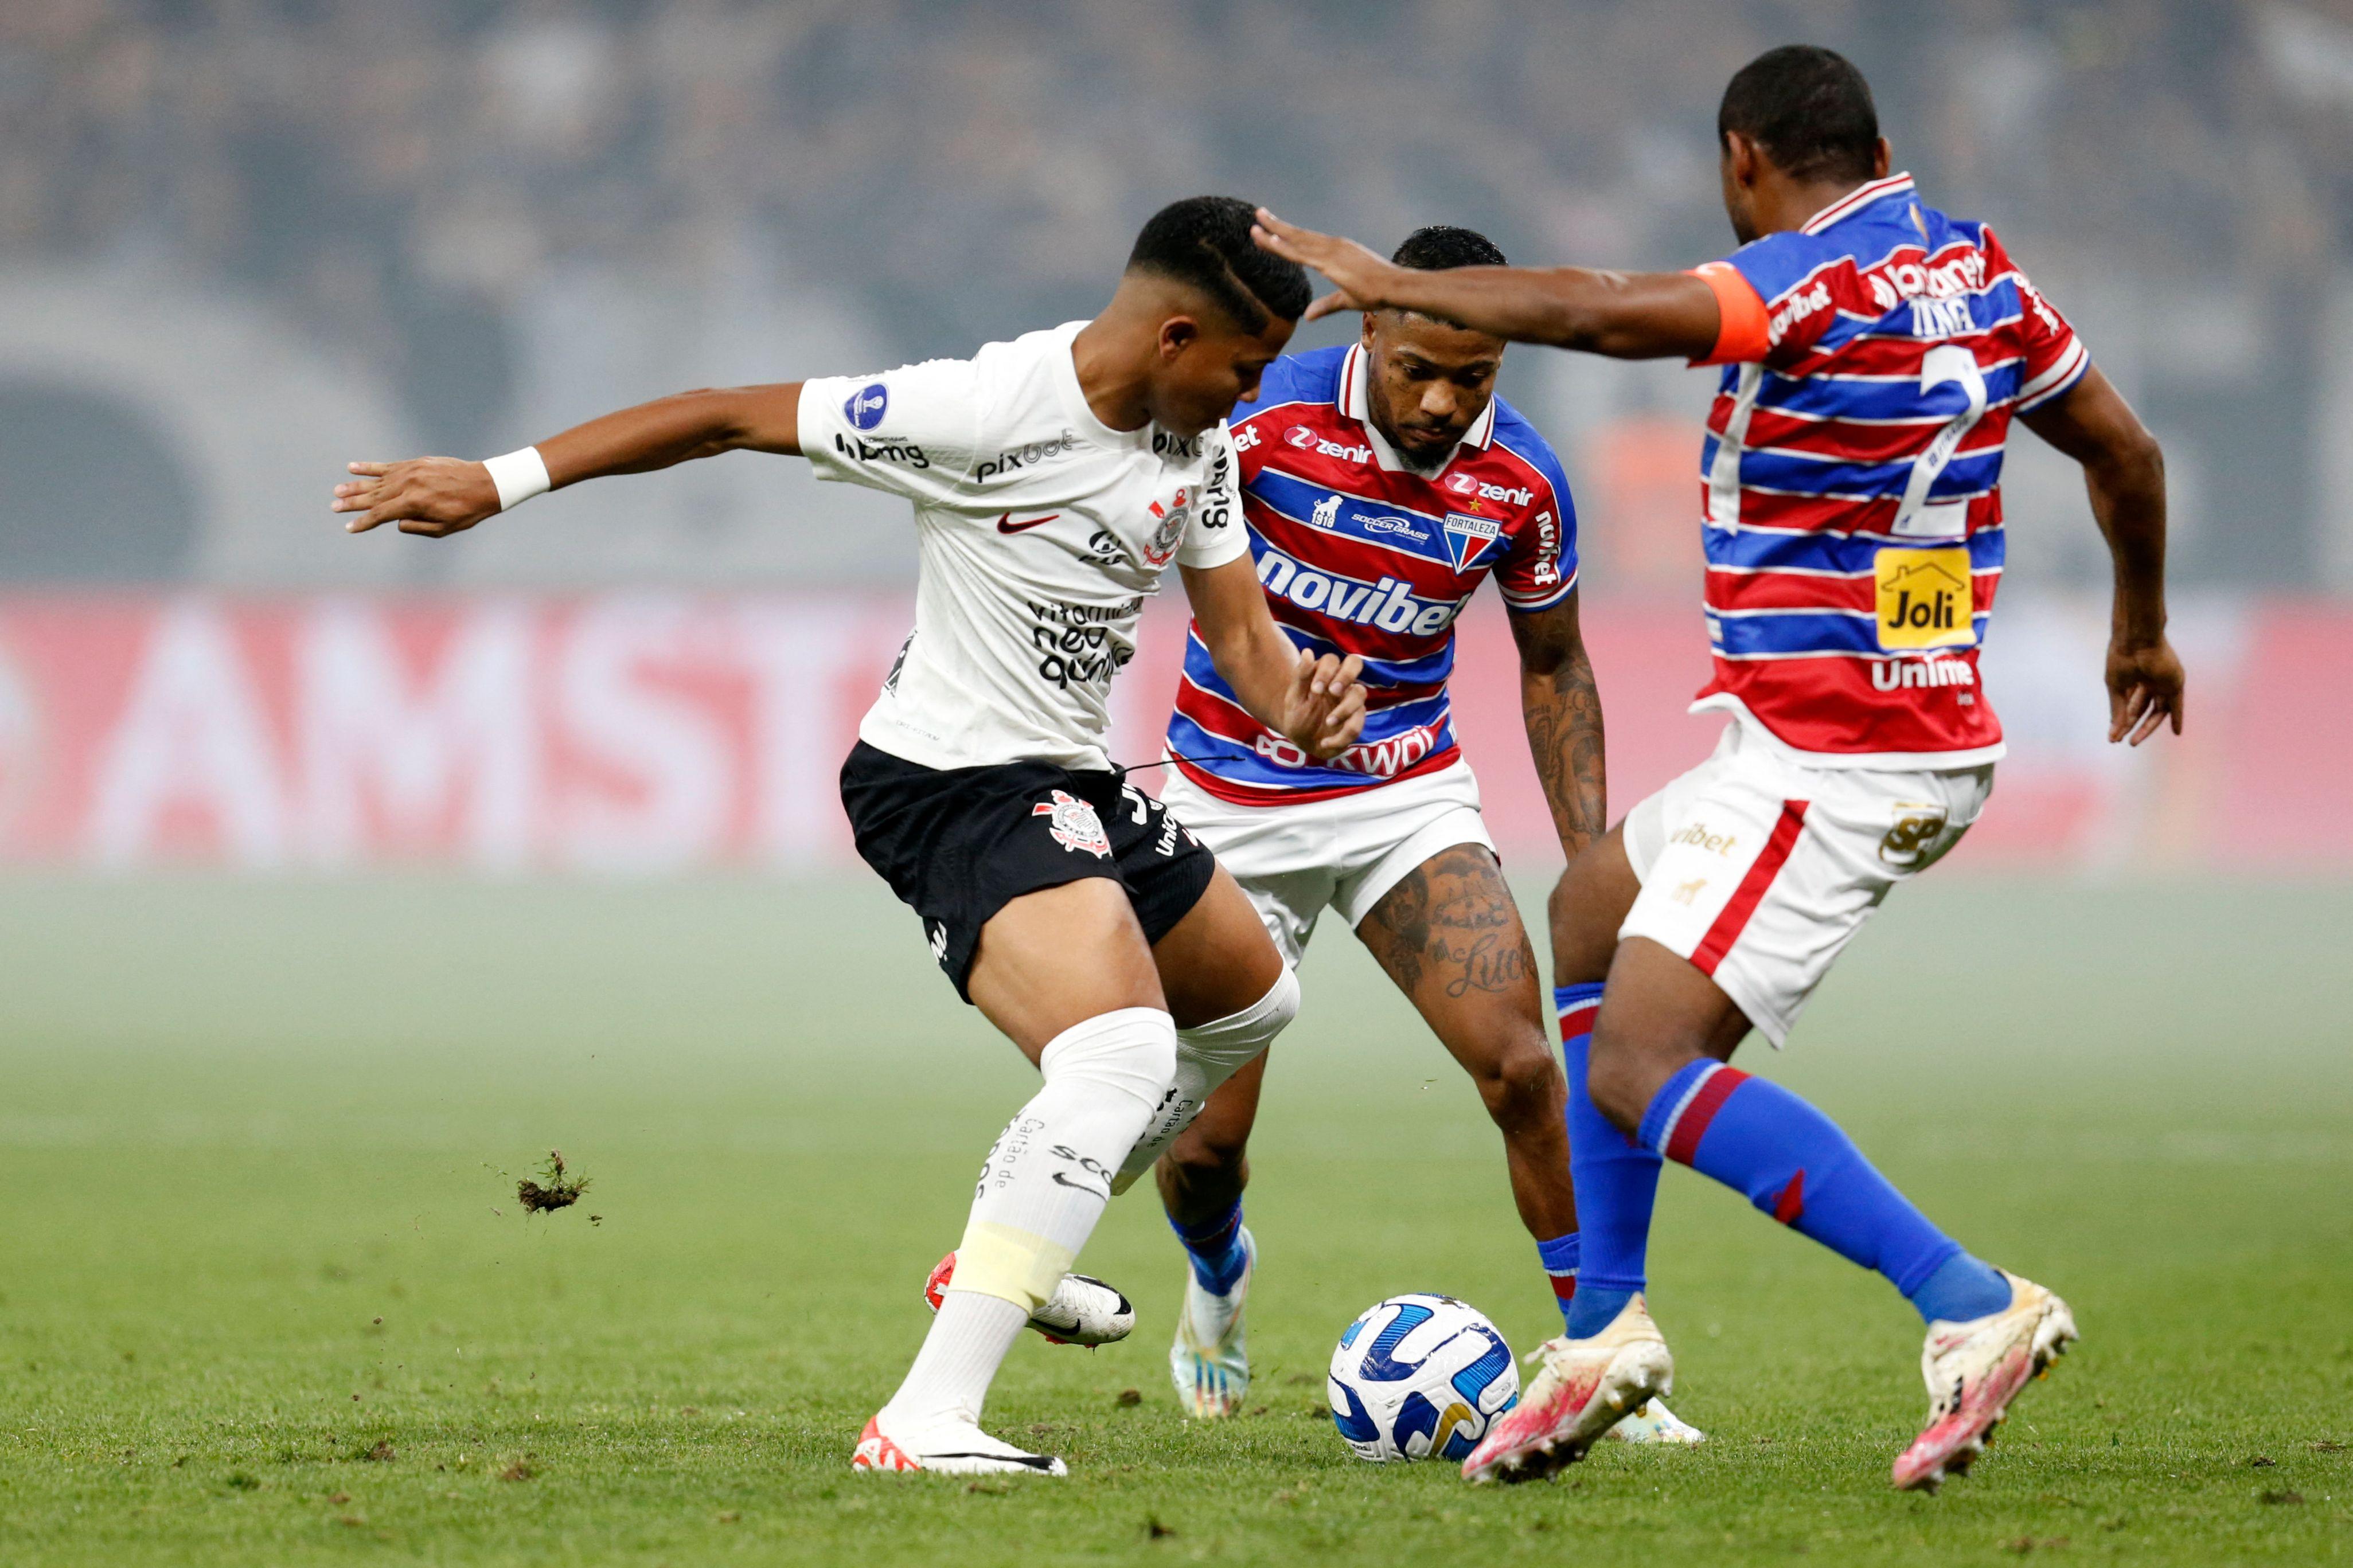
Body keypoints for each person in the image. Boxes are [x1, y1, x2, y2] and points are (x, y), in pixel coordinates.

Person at [1252, 44, 2182, 1490]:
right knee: (1587, 907)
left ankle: (1969, 1303)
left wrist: (1395, 287)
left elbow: (1608, 312)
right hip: (1850, 730)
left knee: (1636, 1067)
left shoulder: (1810, 279)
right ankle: (1606, 1333)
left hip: (1839, 757)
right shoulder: (1986, 277)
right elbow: (2125, 452)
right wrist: (2144, 635)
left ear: (1744, 157)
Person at [330, 194, 1372, 1479]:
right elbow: (720, 414)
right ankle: (924, 1421)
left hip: (1069, 776)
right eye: (1245, 367)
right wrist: (501, 480)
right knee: (1118, 1055)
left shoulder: (1189, 446)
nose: (1253, 395)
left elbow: (1242, 640)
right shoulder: (981, 412)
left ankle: (1013, 1252)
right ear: (1171, 336)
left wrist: (1302, 710)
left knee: (1253, 1001)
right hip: (946, 784)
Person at [1129, 222, 1693, 1445]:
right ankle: (1219, 1280)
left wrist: (1593, 857)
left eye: (1475, 378)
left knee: (1526, 1070)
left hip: (1403, 797)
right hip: (1229, 799)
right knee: (1206, 1148)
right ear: (1371, 331)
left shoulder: (1526, 483)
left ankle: (1599, 1355)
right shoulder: (1259, 416)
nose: (1442, 403)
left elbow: (1555, 669)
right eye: (1417, 372)